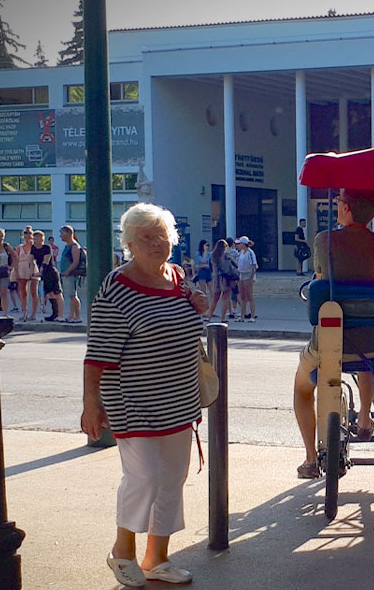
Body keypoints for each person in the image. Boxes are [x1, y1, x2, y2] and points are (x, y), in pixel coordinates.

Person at [81, 203, 209, 588]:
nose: (157, 244)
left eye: (162, 236)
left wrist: (197, 303)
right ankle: (123, 552)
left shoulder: (177, 278)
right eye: (146, 238)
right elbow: (97, 354)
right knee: (146, 477)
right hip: (133, 402)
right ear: (130, 245)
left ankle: (158, 558)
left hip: (179, 399)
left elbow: (184, 323)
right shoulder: (117, 288)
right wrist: (91, 405)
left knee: (172, 478)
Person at [293, 189, 374, 479]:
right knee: (368, 351)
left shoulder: (325, 240)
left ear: (346, 208)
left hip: (331, 341)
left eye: (339, 203)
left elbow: (321, 283)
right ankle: (365, 417)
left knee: (302, 387)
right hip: (369, 340)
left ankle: (311, 458)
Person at [31, 230, 62, 322]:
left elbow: (46, 261)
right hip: (43, 274)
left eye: (36, 239)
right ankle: (54, 313)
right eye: (34, 239)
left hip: (50, 272)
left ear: (42, 239)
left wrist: (40, 272)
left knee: (56, 293)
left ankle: (58, 313)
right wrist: (30, 270)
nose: (34, 241)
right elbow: (31, 260)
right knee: (49, 293)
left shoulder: (47, 247)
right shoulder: (33, 248)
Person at [206, 239, 238, 323]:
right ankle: (223, 318)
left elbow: (211, 267)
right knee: (225, 298)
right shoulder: (226, 255)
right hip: (226, 279)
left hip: (216, 279)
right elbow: (235, 265)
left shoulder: (213, 255)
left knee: (215, 299)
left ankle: (209, 317)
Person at [58, 225, 83, 323]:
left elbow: (75, 261)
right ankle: (71, 316)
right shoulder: (67, 246)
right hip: (66, 274)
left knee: (73, 295)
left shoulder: (74, 246)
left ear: (69, 233)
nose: (60, 236)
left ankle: (78, 317)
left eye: (62, 233)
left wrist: (68, 271)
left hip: (71, 274)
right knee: (70, 295)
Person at [14, 227, 40, 321]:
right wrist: (16, 272)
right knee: (23, 292)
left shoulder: (35, 247)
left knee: (34, 292)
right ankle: (24, 312)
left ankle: (33, 314)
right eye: (25, 237)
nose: (27, 239)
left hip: (32, 268)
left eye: (29, 237)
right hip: (22, 269)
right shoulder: (19, 247)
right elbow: (15, 260)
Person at [235, 235, 258, 321]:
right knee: (242, 296)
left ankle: (252, 316)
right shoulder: (241, 253)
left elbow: (253, 266)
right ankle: (242, 316)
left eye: (240, 243)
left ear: (243, 244)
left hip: (249, 275)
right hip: (242, 274)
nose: (238, 245)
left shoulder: (250, 253)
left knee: (249, 296)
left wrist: (251, 278)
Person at [224, 236, 242, 318]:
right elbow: (239, 263)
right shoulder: (236, 253)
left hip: (226, 275)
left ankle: (230, 311)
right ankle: (240, 309)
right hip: (235, 274)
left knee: (227, 293)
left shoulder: (224, 253)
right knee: (236, 292)